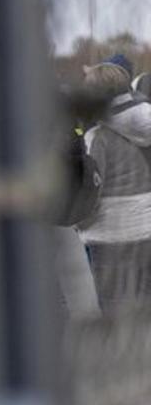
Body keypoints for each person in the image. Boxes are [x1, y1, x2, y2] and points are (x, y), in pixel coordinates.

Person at [77, 62, 151, 309]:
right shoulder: (146, 125)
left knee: (115, 311)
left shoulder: (97, 137)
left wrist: (81, 223)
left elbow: (90, 188)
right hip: (146, 229)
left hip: (108, 236)